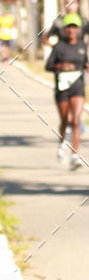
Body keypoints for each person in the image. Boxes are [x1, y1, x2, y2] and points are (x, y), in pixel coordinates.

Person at [45, 14, 88, 170]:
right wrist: (61, 66)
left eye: (74, 27)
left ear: (78, 30)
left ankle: (75, 155)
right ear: (65, 29)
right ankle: (62, 142)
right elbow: (48, 66)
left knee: (76, 120)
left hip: (78, 86)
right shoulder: (59, 47)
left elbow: (85, 63)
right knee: (65, 120)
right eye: (69, 27)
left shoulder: (83, 45)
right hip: (62, 87)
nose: (71, 30)